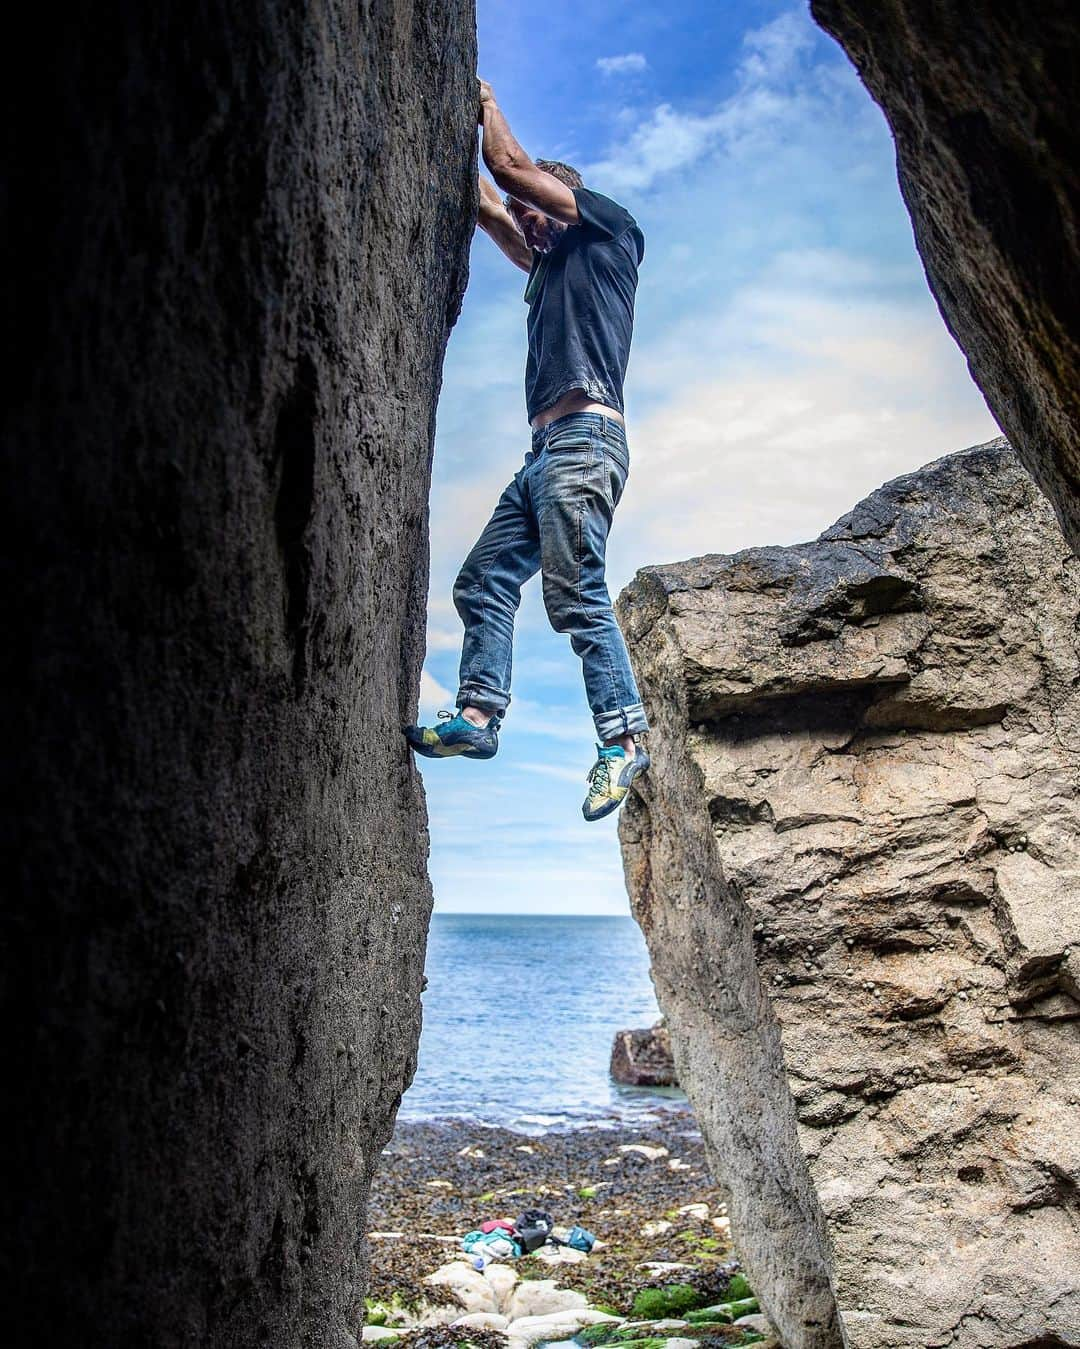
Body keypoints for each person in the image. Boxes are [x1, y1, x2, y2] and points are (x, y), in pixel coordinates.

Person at [405, 78, 650, 821]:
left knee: (574, 592)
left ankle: (624, 739)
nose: (527, 228)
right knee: (482, 581)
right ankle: (477, 720)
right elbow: (491, 201)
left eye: (537, 214)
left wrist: (481, 100)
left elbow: (508, 170)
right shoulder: (547, 260)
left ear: (564, 200)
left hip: (587, 442)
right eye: (524, 222)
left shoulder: (609, 234)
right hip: (544, 454)